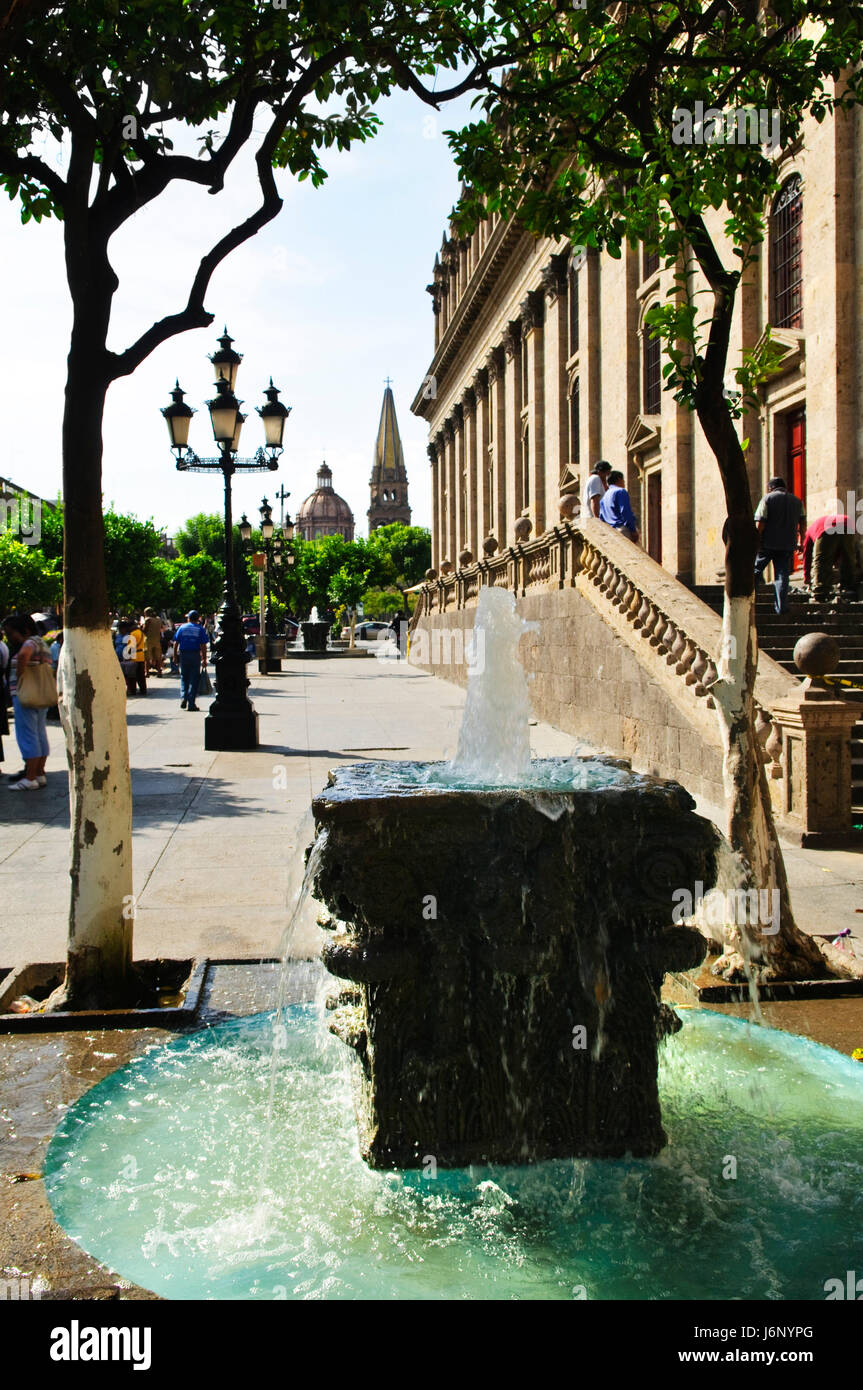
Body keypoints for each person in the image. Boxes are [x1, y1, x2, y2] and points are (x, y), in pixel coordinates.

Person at [2, 611, 52, 790]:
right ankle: (39, 774)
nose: (8, 637)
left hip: (26, 695)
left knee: (28, 736)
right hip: (39, 695)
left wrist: (21, 676)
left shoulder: (30, 642)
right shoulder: (41, 642)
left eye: (10, 633)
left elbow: (23, 656)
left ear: (22, 630)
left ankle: (30, 777)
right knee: (39, 735)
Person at [754, 477, 805, 615]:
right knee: (782, 576)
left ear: (771, 488)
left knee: (755, 571)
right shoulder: (797, 501)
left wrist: (756, 541)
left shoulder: (767, 499)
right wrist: (801, 540)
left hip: (767, 544)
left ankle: (748, 600)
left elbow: (760, 523)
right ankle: (781, 608)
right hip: (787, 545)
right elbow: (802, 523)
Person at [802, 513, 860, 603]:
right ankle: (848, 588)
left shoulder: (809, 532)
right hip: (848, 524)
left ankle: (819, 592)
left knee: (821, 561)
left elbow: (807, 555)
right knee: (848, 558)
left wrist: (806, 577)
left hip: (827, 528)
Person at [172, 609, 209, 711]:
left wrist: (175, 656)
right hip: (194, 655)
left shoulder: (182, 627)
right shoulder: (200, 629)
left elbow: (176, 643)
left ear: (188, 618)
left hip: (184, 655)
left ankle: (184, 697)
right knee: (194, 679)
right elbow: (203, 645)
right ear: (198, 619)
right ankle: (191, 703)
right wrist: (204, 659)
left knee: (184, 677)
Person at [599, 469, 640, 542]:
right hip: (623, 530)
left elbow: (601, 517)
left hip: (611, 532)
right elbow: (625, 511)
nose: (624, 482)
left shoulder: (604, 497)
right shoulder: (620, 491)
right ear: (619, 479)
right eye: (623, 480)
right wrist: (633, 530)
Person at [142, 607, 163, 675]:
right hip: (157, 640)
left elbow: (145, 630)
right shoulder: (159, 619)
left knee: (147, 658)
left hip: (148, 640)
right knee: (158, 657)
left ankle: (147, 672)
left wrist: (141, 627)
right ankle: (159, 671)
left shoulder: (148, 619)